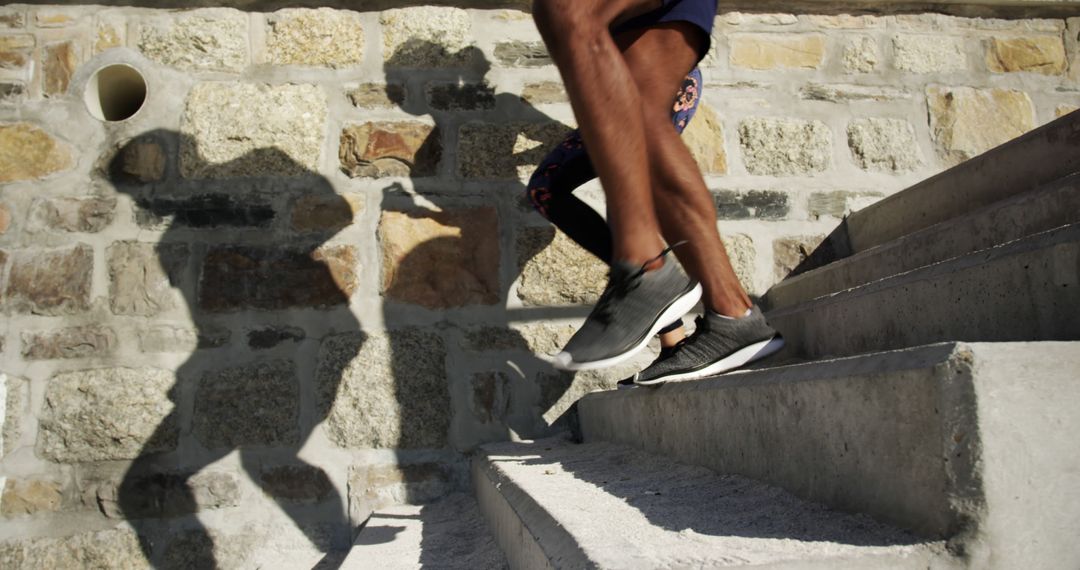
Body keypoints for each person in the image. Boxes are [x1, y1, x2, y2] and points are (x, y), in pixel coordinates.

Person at [531, 0, 784, 385]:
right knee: (617, 156)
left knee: (566, 9)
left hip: (657, 56)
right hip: (630, 43)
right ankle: (731, 315)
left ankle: (645, 270)